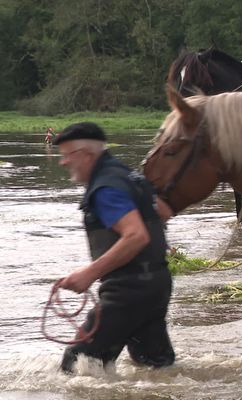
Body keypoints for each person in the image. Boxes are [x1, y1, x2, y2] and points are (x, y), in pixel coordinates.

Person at [53, 122, 175, 374]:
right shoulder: (128, 174)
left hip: (128, 290)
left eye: (66, 156)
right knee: (155, 368)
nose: (63, 162)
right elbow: (163, 211)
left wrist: (88, 274)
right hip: (156, 283)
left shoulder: (106, 188)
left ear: (86, 154)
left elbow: (136, 236)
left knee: (77, 364)